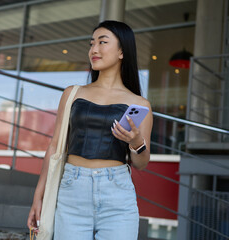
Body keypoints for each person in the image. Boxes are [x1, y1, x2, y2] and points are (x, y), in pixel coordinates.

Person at [27, 20, 153, 240]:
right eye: (92, 43)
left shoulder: (140, 104)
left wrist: (136, 142)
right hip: (72, 189)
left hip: (117, 193)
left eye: (102, 42)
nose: (94, 49)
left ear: (122, 51)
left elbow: (142, 162)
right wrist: (39, 196)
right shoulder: (72, 94)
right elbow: (55, 146)